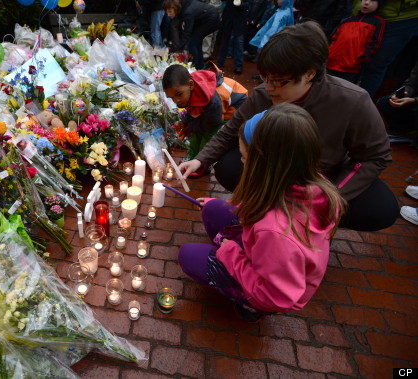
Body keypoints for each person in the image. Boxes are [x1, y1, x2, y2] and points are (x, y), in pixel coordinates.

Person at [179, 21, 399, 232]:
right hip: (276, 172)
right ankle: (269, 211)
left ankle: (312, 226)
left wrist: (330, 198)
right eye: (266, 78)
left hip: (320, 179)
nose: (270, 88)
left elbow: (376, 156)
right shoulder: (266, 93)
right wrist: (201, 159)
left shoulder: (352, 100)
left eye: (279, 81)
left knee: (382, 207)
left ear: (310, 73)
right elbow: (232, 128)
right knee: (228, 166)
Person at [178, 104, 345, 322]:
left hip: (270, 291)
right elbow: (263, 208)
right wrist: (218, 204)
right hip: (267, 252)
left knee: (188, 256)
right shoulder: (307, 183)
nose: (240, 161)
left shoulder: (276, 231)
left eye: (244, 158)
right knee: (213, 209)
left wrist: (231, 255)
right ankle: (237, 255)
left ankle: (251, 307)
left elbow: (277, 296)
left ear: (265, 166)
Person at [163, 64, 248, 177]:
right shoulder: (188, 91)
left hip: (233, 111)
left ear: (191, 85)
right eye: (172, 97)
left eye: (178, 95)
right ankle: (193, 155)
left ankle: (204, 162)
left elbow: (212, 124)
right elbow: (192, 110)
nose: (177, 100)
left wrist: (191, 127)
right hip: (213, 114)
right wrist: (185, 122)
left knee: (208, 137)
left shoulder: (212, 98)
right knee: (194, 132)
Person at [355, 0, 418, 97]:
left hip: (401, 19)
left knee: (376, 65)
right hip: (362, 10)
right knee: (350, 57)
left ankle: (358, 105)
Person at [326, 0, 386, 84]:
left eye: (372, 1)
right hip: (331, 62)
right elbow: (334, 37)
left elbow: (374, 43)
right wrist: (330, 53)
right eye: (364, 0)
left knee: (343, 89)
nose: (367, 3)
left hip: (351, 66)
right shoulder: (348, 19)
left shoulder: (377, 22)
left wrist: (362, 57)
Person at [163, 0, 221, 69]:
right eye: (167, 12)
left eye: (170, 12)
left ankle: (196, 67)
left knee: (192, 43)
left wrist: (179, 48)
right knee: (196, 42)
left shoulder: (187, 12)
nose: (168, 15)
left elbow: (187, 32)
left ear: (175, 8)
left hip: (210, 20)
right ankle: (200, 66)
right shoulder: (181, 7)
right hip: (203, 18)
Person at [376, 59, 418, 139]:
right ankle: (402, 130)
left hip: (415, 101)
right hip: (412, 99)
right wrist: (398, 95)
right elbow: (411, 83)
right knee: (384, 102)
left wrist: (414, 100)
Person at [216, 0, 250, 75]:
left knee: (239, 43)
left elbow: (248, 5)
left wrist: (240, 4)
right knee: (224, 41)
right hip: (228, 18)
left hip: (240, 19)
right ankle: (220, 62)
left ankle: (238, 66)